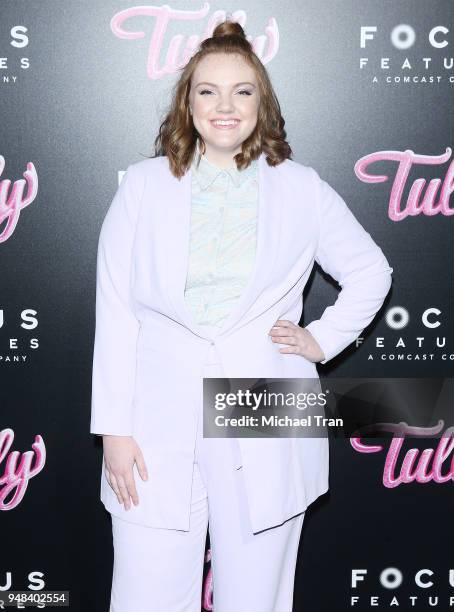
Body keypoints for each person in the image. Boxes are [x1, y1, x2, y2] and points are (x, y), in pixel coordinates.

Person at [90, 19, 393, 612]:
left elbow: (371, 271)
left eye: (242, 91)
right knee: (145, 592)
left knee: (258, 594)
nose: (225, 105)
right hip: (156, 404)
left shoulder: (301, 188)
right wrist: (113, 429)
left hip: (267, 396)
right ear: (188, 102)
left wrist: (322, 338)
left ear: (263, 103)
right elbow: (116, 311)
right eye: (208, 90)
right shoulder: (143, 187)